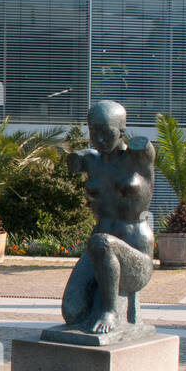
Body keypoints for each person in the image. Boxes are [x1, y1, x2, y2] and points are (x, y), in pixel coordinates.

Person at [61, 101, 155, 335]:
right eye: (94, 132)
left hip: (136, 256)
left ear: (122, 130)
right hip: (98, 253)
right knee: (73, 312)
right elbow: (80, 158)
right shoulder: (92, 161)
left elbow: (146, 149)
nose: (100, 139)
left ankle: (110, 310)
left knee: (102, 242)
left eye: (107, 132)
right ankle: (102, 305)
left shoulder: (138, 159)